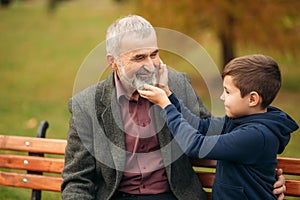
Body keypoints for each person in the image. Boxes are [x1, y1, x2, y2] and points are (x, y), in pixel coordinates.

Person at [61, 14, 286, 200]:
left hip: (173, 195)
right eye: (139, 57)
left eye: (154, 54)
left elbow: (215, 136)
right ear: (113, 62)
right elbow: (77, 179)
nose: (150, 66)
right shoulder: (86, 105)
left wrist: (267, 175)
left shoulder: (177, 84)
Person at [138, 54, 299, 199]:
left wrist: (166, 106)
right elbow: (200, 127)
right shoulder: (238, 120)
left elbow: (196, 146)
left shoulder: (255, 135)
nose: (222, 97)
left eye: (228, 92)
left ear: (252, 99)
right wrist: (168, 95)